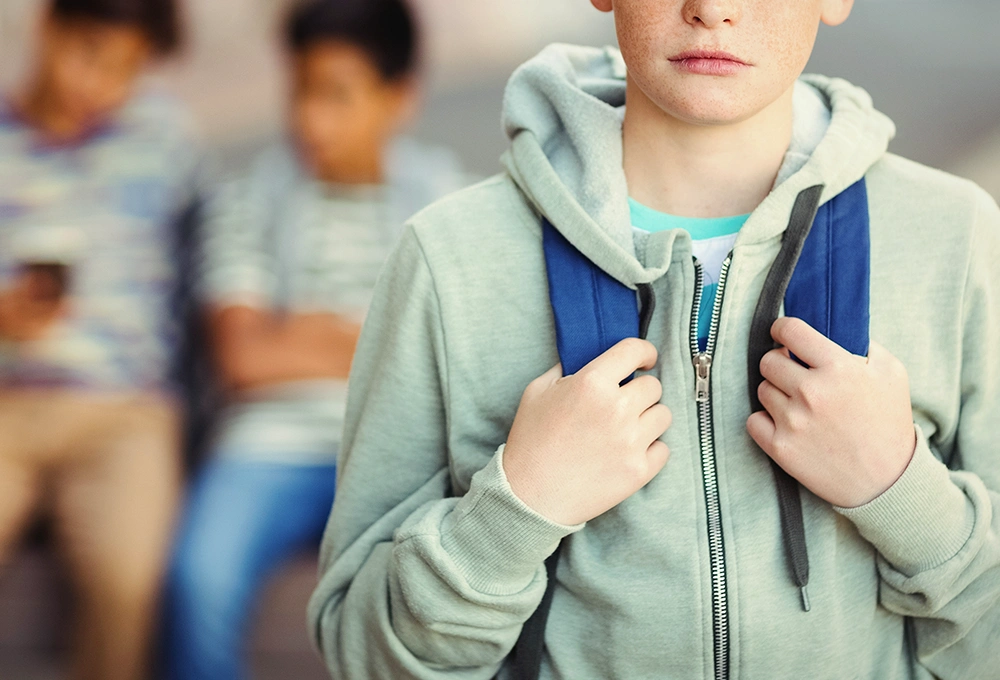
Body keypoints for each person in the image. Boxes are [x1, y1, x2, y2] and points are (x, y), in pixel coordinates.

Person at [307, 0, 1000, 678]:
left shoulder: (956, 236)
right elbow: (362, 652)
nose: (713, 8)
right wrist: (518, 509)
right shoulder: (447, 257)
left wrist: (902, 493)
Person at [162, 1, 467, 678]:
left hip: (398, 451)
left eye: (337, 95)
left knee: (434, 591)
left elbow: (455, 360)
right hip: (263, 449)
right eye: (300, 89)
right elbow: (244, 358)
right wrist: (375, 341)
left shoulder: (451, 203)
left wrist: (303, 334)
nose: (310, 119)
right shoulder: (248, 199)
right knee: (196, 578)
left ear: (399, 98)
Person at [0, 1, 202, 679]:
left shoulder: (166, 135)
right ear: (47, 26)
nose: (100, 85)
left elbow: (223, 245)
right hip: (7, 400)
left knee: (127, 581)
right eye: (88, 54)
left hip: (126, 412)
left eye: (124, 70)